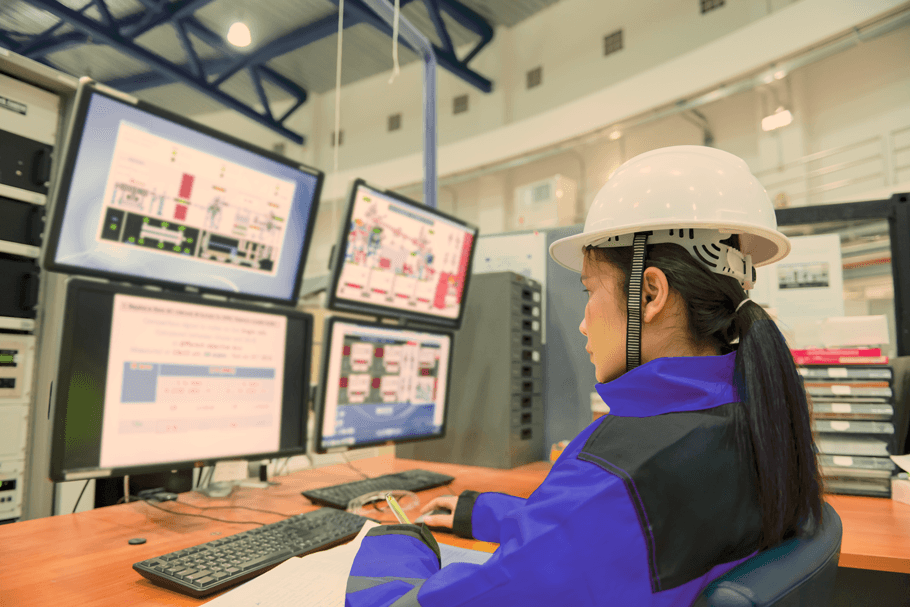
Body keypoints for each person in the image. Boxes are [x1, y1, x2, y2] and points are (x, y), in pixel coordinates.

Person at [345, 145, 824, 606]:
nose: (581, 321)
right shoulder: (744, 411)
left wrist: (392, 539)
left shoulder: (618, 478)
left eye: (590, 289)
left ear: (650, 293)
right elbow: (607, 535)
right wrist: (480, 512)